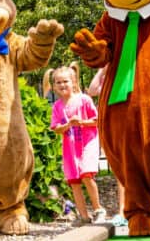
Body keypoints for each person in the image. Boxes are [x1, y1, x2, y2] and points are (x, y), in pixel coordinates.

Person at [44, 62, 106, 225]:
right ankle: (84, 216)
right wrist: (67, 125)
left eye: (65, 81)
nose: (62, 85)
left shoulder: (84, 100)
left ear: (73, 82)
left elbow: (98, 120)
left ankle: (98, 209)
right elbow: (56, 128)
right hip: (70, 148)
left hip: (87, 143)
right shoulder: (57, 106)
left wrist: (82, 122)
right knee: (74, 181)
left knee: (86, 174)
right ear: (54, 86)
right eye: (58, 82)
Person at [86, 66, 126, 226]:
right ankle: (123, 211)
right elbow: (92, 90)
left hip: (126, 124)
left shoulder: (124, 76)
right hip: (111, 125)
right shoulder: (106, 81)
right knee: (120, 171)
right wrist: (103, 69)